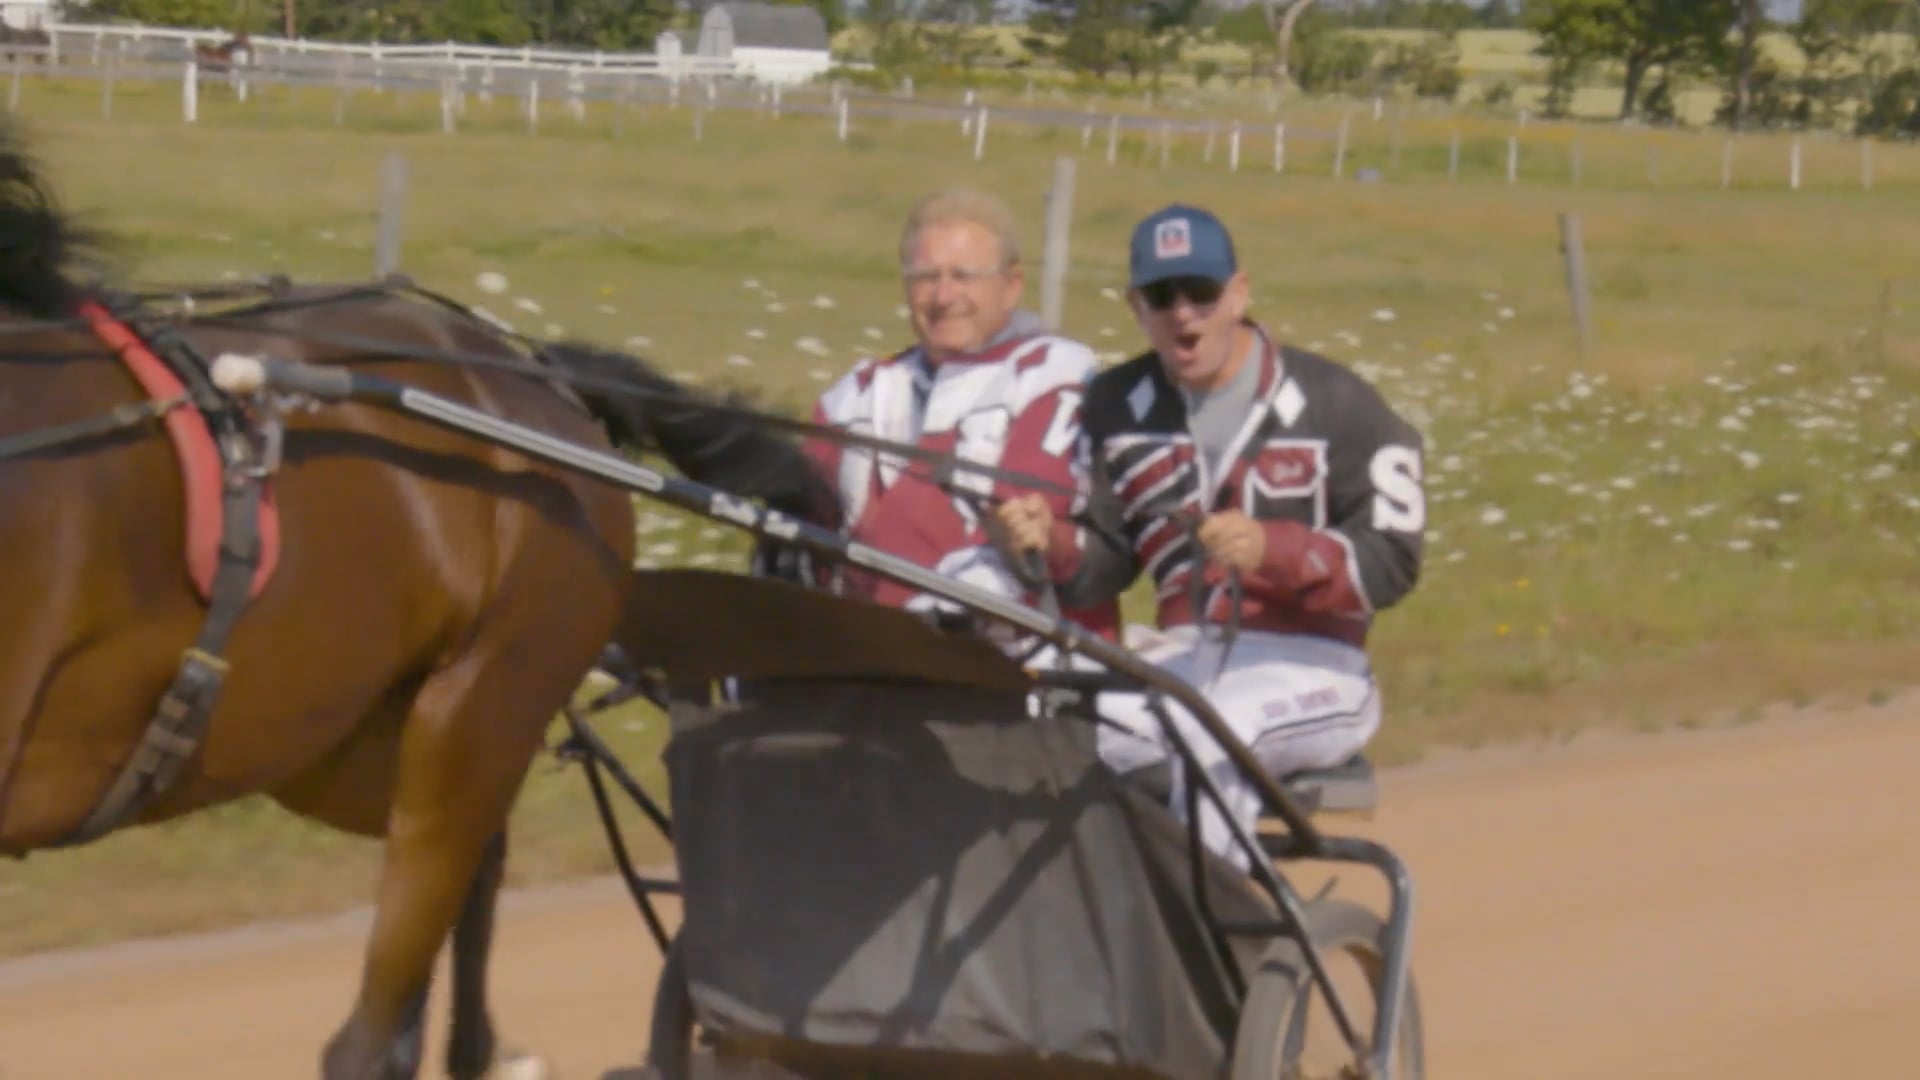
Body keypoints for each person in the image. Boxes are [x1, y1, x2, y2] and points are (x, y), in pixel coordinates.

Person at [990, 203, 1427, 866]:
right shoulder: (1116, 403)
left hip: (1316, 667)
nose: (1183, 314)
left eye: (1201, 292)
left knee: (1210, 728)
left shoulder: (1338, 403)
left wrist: (1272, 551)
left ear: (1240, 294)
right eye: (1162, 297)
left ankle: (1211, 941)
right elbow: (1106, 562)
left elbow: (1393, 562)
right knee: (1029, 705)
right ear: (1136, 306)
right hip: (1183, 656)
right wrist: (1048, 538)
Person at [762, 186, 1121, 645]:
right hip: (870, 660)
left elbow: (1030, 519)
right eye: (926, 277)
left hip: (1012, 662)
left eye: (963, 276)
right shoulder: (855, 396)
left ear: (1011, 286)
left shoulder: (1055, 375)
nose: (943, 295)